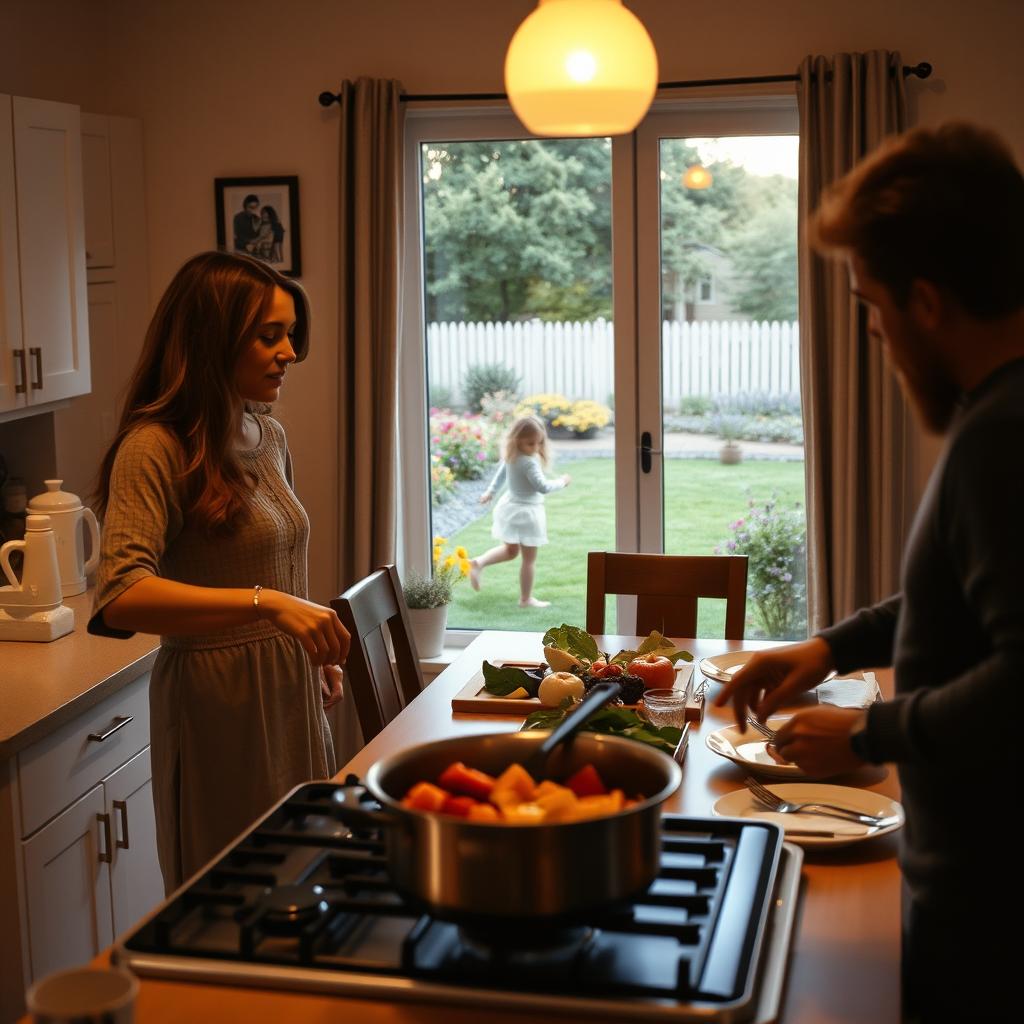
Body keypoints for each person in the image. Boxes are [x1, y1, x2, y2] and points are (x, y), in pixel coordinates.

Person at [715, 123, 1024, 1022]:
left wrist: (867, 736)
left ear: (926, 302)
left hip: (989, 919)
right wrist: (825, 647)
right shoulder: (1001, 415)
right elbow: (957, 598)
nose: (875, 331)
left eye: (870, 303)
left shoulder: (1002, 437)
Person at [89, 250, 350, 893]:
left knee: (302, 876)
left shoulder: (266, 434)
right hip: (217, 703)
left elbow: (279, 559)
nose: (289, 352)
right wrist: (269, 606)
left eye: (290, 335)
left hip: (289, 692)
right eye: (269, 336)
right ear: (212, 339)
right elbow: (122, 593)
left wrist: (311, 646)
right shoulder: (153, 448)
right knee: (235, 895)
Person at [469, 414, 570, 608]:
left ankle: (478, 563)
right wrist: (562, 482)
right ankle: (526, 599)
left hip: (509, 508)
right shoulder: (529, 461)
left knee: (510, 551)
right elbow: (543, 487)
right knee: (529, 560)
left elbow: (500, 475)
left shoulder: (512, 456)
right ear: (517, 440)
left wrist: (490, 491)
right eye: (530, 443)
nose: (536, 448)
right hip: (527, 513)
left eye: (539, 443)